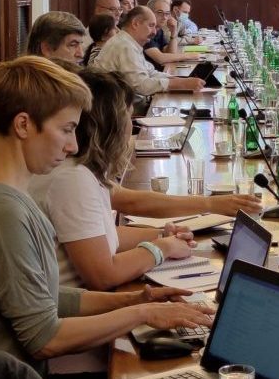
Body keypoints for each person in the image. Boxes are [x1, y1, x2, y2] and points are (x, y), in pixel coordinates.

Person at [0, 56, 213, 379]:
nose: (73, 145)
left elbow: (45, 295)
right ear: (23, 125)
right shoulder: (2, 210)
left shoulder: (5, 193)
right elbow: (45, 339)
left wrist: (138, 299)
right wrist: (143, 313)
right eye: (67, 129)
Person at [28, 69, 261, 292]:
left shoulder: (81, 171)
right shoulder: (72, 178)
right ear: (111, 125)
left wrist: (160, 236)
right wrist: (162, 248)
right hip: (79, 308)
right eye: (128, 117)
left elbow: (99, 236)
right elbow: (103, 276)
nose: (132, 125)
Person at [92, 6, 205, 96]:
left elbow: (150, 72)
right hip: (114, 110)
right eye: (151, 26)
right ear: (135, 23)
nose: (154, 32)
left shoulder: (130, 42)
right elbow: (141, 86)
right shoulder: (124, 45)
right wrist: (181, 84)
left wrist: (182, 80)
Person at [143, 0, 200, 69]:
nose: (164, 17)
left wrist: (174, 31)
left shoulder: (159, 30)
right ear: (149, 12)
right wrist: (189, 56)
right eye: (160, 12)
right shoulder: (145, 31)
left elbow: (171, 53)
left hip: (160, 70)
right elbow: (160, 58)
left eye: (167, 13)